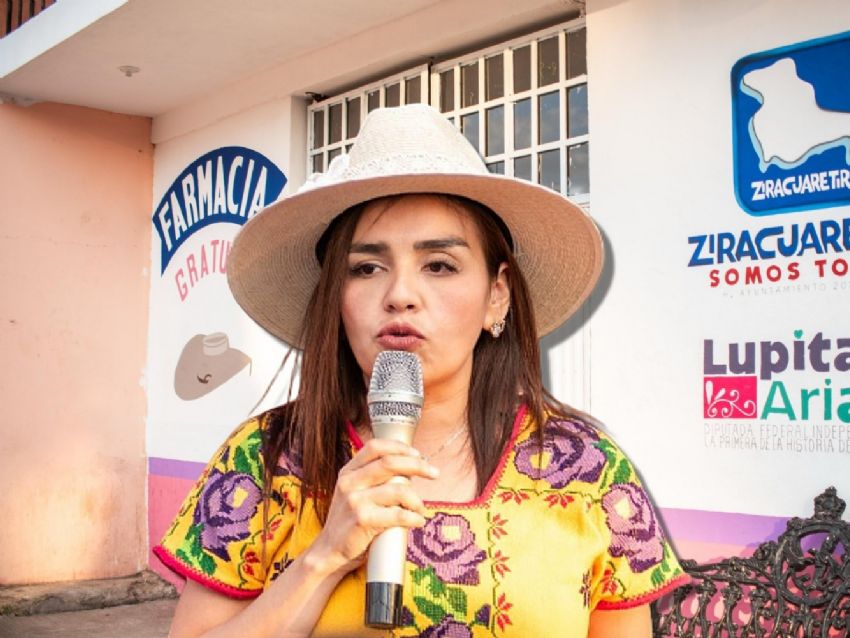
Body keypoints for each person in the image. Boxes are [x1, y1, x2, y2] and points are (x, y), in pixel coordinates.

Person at [155, 104, 688, 637]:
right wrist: (324, 558)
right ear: (336, 298)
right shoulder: (263, 459)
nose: (400, 295)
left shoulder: (589, 470)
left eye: (439, 265)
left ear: (497, 295)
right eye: (367, 267)